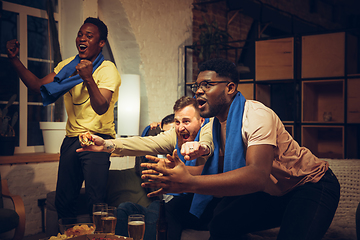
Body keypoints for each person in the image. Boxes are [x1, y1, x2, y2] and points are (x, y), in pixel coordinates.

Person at [140, 58, 341, 240]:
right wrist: (174, 172)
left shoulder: (256, 116)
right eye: (197, 85)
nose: (198, 91)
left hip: (311, 185)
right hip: (275, 191)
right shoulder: (214, 125)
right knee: (221, 223)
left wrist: (189, 182)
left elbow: (257, 174)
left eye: (207, 85)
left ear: (230, 88)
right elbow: (215, 168)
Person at [6, 17, 121, 219]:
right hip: (71, 140)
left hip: (97, 139)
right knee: (64, 202)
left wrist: (88, 78)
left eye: (89, 35)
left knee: (97, 201)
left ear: (101, 43)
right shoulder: (67, 66)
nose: (82, 38)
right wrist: (15, 60)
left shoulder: (107, 69)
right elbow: (37, 87)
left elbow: (101, 106)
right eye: (80, 34)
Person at [76, 96, 211, 239]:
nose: (180, 127)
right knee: (125, 208)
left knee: (168, 209)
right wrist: (107, 145)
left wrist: (202, 147)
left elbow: (209, 144)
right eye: (177, 122)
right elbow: (144, 143)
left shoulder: (210, 129)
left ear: (201, 121)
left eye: (186, 121)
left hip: (201, 205)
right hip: (168, 201)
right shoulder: (175, 135)